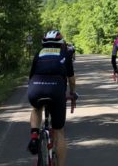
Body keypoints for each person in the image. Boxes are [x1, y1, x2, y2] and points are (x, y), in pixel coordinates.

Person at [27, 29, 77, 164]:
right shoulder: (65, 54)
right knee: (59, 131)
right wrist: (72, 93)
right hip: (56, 90)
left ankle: (34, 135)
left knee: (36, 108)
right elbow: (71, 80)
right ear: (61, 43)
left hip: (35, 87)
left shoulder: (38, 54)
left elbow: (31, 77)